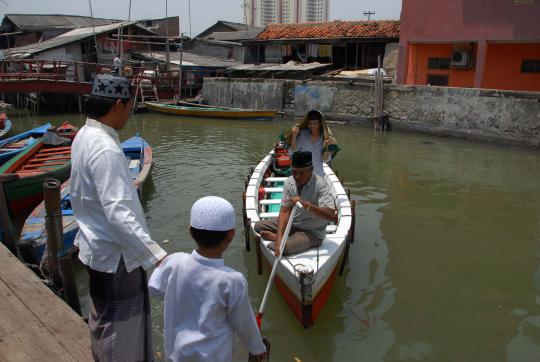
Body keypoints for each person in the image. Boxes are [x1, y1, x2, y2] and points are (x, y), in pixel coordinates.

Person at [70, 74, 167, 361]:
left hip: (94, 248)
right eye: (129, 107)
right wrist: (157, 256)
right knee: (122, 331)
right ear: (118, 105)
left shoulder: (84, 136)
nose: (129, 114)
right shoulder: (106, 149)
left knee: (103, 319)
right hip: (117, 256)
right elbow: (118, 213)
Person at [148, 196, 267, 362]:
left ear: (190, 230)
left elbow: (155, 289)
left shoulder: (174, 262)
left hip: (176, 356)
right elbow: (244, 324)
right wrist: (257, 348)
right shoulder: (232, 280)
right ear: (231, 235)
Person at [255, 151, 335, 256]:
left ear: (311, 170)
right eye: (294, 172)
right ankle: (283, 237)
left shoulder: (320, 185)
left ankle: (283, 238)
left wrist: (308, 206)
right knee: (258, 226)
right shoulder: (289, 182)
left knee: (285, 248)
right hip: (293, 223)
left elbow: (331, 215)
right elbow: (284, 213)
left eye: (301, 172)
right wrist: (279, 240)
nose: (297, 176)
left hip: (312, 232)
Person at [289, 109, 336, 176]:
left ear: (320, 123)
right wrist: (294, 136)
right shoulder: (303, 134)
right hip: (303, 174)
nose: (312, 126)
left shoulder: (325, 137)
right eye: (310, 123)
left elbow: (325, 159)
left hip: (318, 174)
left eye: (315, 123)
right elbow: (293, 151)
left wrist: (326, 147)